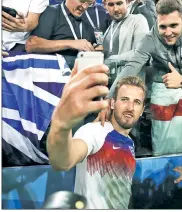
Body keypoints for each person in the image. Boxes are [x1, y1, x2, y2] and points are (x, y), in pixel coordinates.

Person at [97, 0, 182, 156]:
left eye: (173, 25)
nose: (168, 32)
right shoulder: (150, 39)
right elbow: (131, 67)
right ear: (157, 23)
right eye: (163, 26)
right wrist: (109, 98)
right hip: (161, 92)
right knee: (162, 146)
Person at [47, 63, 146, 209]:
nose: (130, 108)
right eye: (124, 99)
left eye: (136, 102)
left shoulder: (130, 143)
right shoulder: (95, 131)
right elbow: (63, 161)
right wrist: (62, 125)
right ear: (112, 103)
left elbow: (123, 192)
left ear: (143, 110)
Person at [25, 0, 98, 69]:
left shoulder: (89, 22)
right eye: (82, 1)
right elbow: (31, 45)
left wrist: (96, 49)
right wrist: (71, 43)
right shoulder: (52, 12)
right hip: (52, 72)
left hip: (80, 74)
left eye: (89, 3)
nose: (85, 7)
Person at [103, 0, 149, 85]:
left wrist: (112, 60)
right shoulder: (110, 27)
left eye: (119, 3)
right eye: (111, 4)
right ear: (105, 6)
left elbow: (141, 53)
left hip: (131, 85)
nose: (116, 9)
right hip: (110, 85)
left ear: (127, 3)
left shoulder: (138, 20)